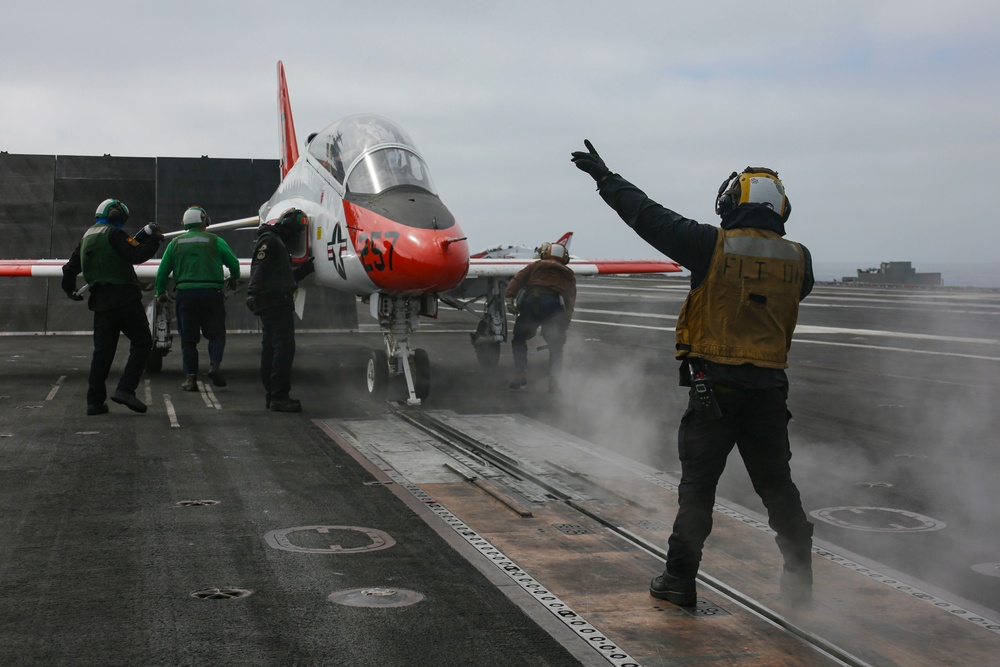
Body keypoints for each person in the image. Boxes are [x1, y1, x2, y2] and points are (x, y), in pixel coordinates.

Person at [571, 140, 815, 607]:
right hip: (768, 391)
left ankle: (680, 580)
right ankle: (800, 584)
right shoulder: (799, 260)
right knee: (778, 488)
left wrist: (606, 178)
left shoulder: (711, 245)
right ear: (780, 207)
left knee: (698, 490)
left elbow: (646, 215)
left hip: (715, 389)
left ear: (731, 202)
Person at [61, 198, 164, 415]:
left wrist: (70, 291)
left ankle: (94, 403)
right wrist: (154, 241)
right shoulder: (115, 234)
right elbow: (136, 254)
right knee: (143, 342)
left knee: (102, 352)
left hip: (100, 302)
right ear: (115, 216)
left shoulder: (87, 237)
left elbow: (69, 269)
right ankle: (125, 389)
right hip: (125, 298)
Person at [154, 206, 241, 391]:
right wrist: (233, 278)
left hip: (186, 295)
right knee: (216, 335)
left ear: (184, 223)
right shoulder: (215, 241)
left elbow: (162, 271)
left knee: (188, 340)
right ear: (204, 220)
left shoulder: (175, 243)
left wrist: (160, 292)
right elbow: (234, 264)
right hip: (212, 294)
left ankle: (191, 379)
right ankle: (214, 367)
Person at [245, 208, 315, 412]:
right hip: (275, 303)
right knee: (283, 349)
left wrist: (302, 272)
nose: (298, 235)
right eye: (298, 230)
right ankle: (278, 396)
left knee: (271, 348)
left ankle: (272, 395)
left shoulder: (276, 242)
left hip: (273, 301)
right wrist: (252, 292)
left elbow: (279, 275)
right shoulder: (270, 241)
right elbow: (260, 267)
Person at [504, 242, 576, 393]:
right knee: (556, 346)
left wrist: (510, 298)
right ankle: (553, 381)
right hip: (552, 305)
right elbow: (570, 301)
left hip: (530, 303)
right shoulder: (567, 272)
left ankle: (520, 373)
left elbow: (517, 280)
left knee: (519, 338)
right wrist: (565, 323)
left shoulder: (535, 265)